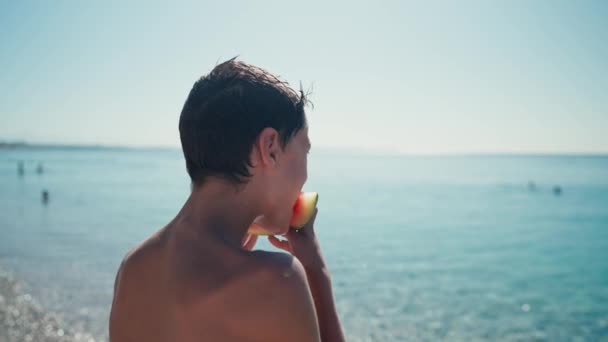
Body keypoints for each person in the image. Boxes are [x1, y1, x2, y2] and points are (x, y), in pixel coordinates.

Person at [109, 58, 345, 342]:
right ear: (270, 148)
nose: (306, 175)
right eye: (305, 149)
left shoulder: (133, 266)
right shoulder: (276, 281)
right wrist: (316, 271)